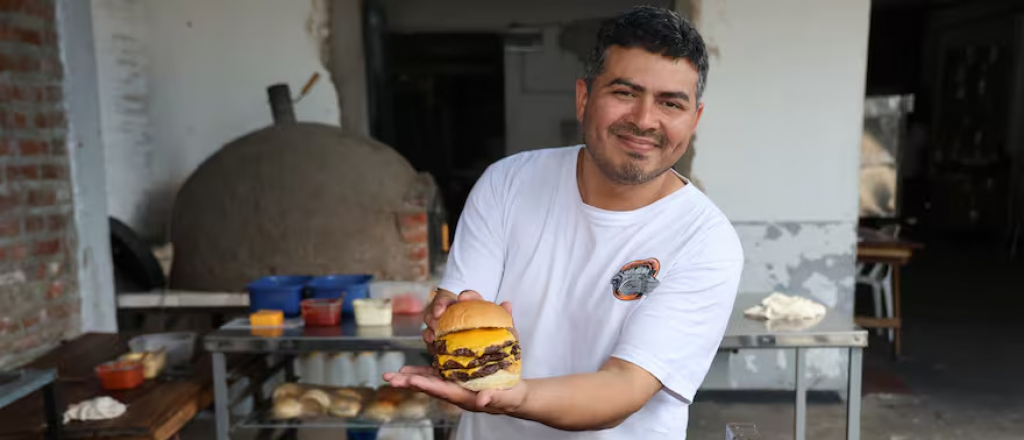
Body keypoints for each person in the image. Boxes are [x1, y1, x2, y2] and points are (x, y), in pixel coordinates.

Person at [384, 5, 743, 439]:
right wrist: (445, 320)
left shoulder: (705, 240)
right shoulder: (508, 183)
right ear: (583, 97)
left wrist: (517, 397)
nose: (646, 120)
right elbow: (457, 312)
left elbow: (624, 388)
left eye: (671, 103)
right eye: (625, 93)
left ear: (694, 120)